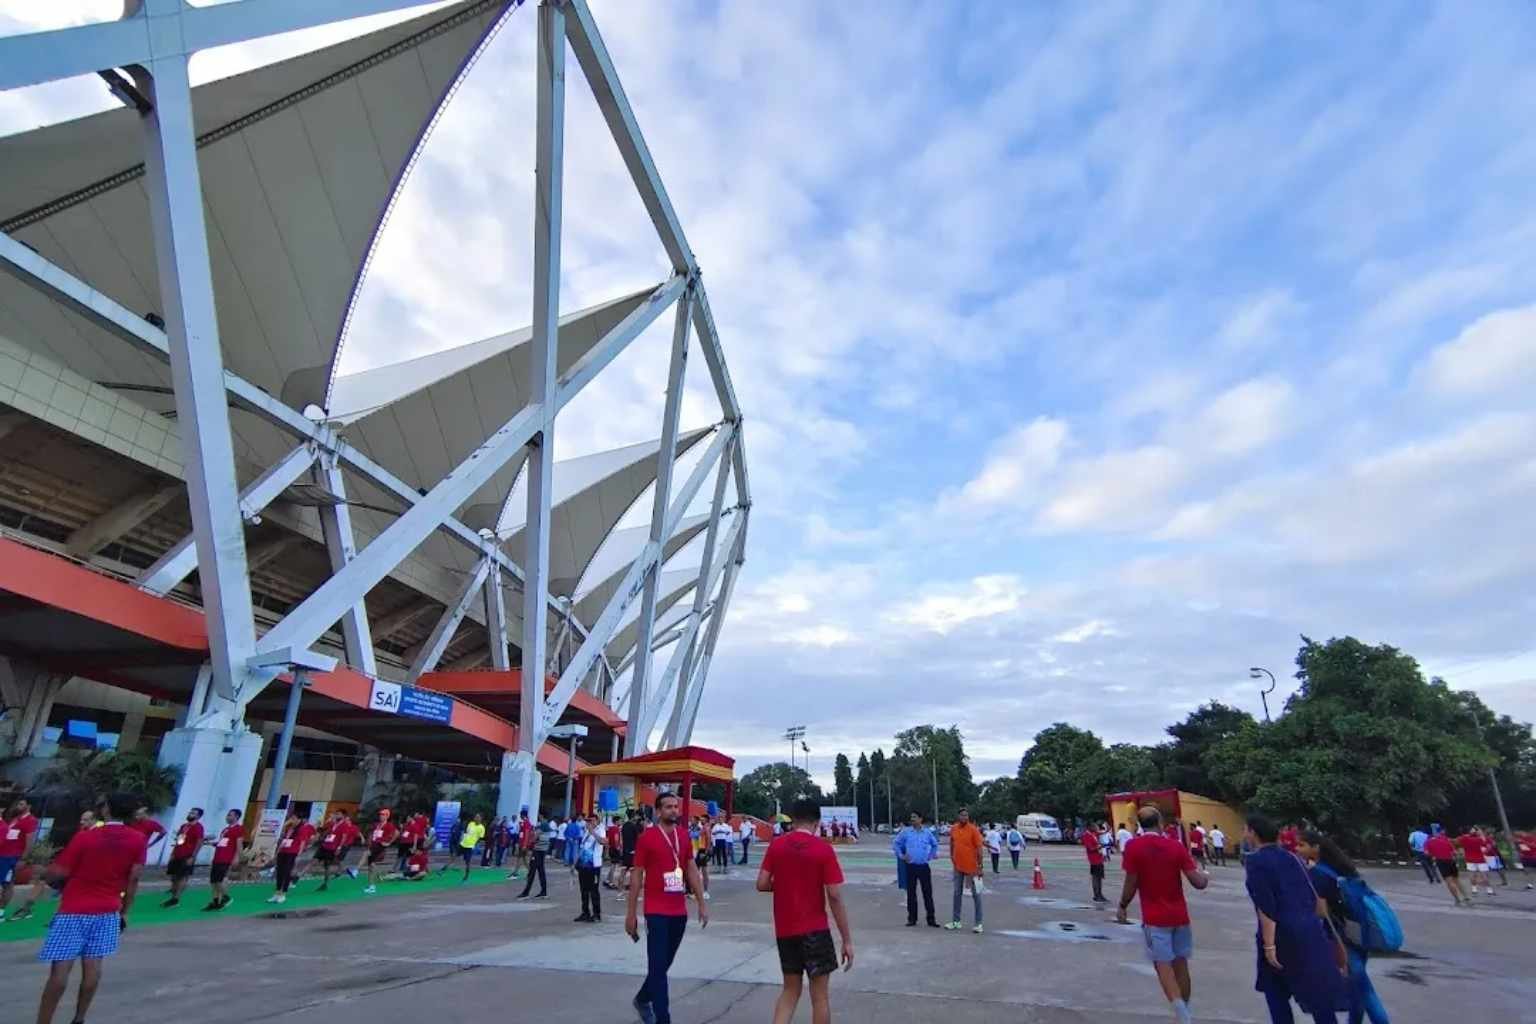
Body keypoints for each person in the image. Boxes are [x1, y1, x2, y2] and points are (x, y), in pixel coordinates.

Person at [33, 791, 147, 1024]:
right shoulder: (137, 840)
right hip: (108, 910)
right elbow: (134, 878)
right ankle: (79, 1018)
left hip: (74, 908)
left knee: (60, 971)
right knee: (93, 967)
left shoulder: (86, 837)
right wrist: (124, 911)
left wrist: (42, 872)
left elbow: (60, 872)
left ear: (107, 809)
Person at [757, 798, 853, 1024]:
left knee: (790, 991)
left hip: (786, 930)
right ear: (817, 822)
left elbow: (761, 883)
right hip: (815, 931)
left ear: (793, 818)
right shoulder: (823, 849)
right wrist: (846, 939)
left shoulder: (777, 845)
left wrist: (784, 885)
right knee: (819, 998)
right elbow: (835, 896)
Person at [1243, 814, 1346, 1024]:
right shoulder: (1293, 858)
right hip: (1308, 931)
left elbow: (1266, 907)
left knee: (1276, 994)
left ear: (1253, 833)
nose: (1244, 834)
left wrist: (1269, 945)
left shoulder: (1255, 861)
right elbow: (1312, 899)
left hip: (1282, 934)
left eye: (1245, 830)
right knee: (1318, 995)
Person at [1116, 806, 1210, 1024]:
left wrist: (1122, 905)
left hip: (1154, 918)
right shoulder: (1175, 846)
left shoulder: (1133, 847)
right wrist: (1205, 877)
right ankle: (1184, 1012)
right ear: (1159, 822)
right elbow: (1197, 882)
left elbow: (1131, 882)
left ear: (1139, 824)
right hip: (1179, 916)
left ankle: (1182, 1015)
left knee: (1162, 964)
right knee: (1181, 964)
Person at [627, 793, 708, 1024]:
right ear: (659, 811)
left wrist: (702, 903)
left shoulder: (683, 836)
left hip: (678, 911)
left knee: (663, 964)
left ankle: (643, 998)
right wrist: (631, 914)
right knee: (658, 966)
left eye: (676, 806)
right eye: (668, 807)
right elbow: (637, 876)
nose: (674, 810)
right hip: (656, 910)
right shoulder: (647, 838)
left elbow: (691, 869)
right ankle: (663, 1018)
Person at [1298, 830, 1389, 1024]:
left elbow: (1321, 912)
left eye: (1302, 845)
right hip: (1358, 930)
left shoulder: (1317, 874)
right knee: (1356, 987)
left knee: (1363, 990)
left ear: (1316, 848)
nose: (1298, 849)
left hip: (1341, 935)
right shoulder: (1342, 868)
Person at [894, 812, 939, 928]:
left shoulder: (927, 833)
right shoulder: (906, 832)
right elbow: (896, 843)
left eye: (914, 817)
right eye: (911, 818)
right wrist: (901, 855)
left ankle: (931, 919)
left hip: (924, 866)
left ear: (920, 819)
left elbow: (934, 844)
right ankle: (912, 919)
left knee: (927, 893)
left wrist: (930, 856)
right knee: (911, 894)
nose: (912, 819)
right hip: (911, 866)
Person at [945, 808, 984, 933]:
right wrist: (952, 857)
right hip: (958, 866)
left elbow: (979, 848)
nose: (964, 817)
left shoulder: (973, 829)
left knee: (976, 894)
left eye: (966, 815)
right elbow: (952, 843)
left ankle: (978, 923)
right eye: (962, 815)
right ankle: (956, 921)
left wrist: (980, 866)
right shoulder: (954, 828)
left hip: (972, 867)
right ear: (958, 817)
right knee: (957, 893)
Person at [0, 797, 39, 922]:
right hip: (3, 856)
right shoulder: (15, 819)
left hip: (11, 858)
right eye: (18, 804)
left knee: (8, 884)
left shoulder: (30, 820)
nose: (18, 806)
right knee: (6, 883)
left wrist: (23, 859)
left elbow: (30, 842)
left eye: (21, 804)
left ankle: (0, 912)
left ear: (29, 806)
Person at [267, 810, 316, 905]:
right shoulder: (288, 827)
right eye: (291, 818)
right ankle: (277, 893)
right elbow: (283, 839)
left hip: (292, 852)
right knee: (279, 872)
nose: (292, 820)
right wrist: (278, 852)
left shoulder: (302, 828)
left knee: (287, 872)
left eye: (294, 818)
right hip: (283, 851)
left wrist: (299, 854)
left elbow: (302, 842)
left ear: (299, 819)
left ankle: (283, 894)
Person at [159, 807, 205, 908]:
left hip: (187, 856)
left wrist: (193, 856)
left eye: (193, 813)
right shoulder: (184, 826)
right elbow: (179, 840)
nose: (190, 814)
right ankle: (173, 895)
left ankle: (176, 899)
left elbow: (199, 842)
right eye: (190, 812)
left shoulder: (198, 827)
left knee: (182, 877)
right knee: (173, 877)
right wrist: (173, 853)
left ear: (198, 816)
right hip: (178, 854)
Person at [202, 809, 245, 911]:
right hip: (217, 857)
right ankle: (216, 901)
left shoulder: (239, 829)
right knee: (213, 881)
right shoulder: (225, 830)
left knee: (220, 880)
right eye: (227, 815)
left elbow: (239, 844)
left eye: (230, 815)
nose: (227, 817)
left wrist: (237, 858)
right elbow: (222, 843)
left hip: (226, 859)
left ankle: (226, 897)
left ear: (236, 817)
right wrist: (209, 843)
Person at [313, 810, 359, 892]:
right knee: (334, 861)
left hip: (344, 846)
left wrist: (340, 847)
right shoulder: (335, 824)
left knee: (336, 860)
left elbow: (355, 834)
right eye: (346, 819)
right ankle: (344, 870)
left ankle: (343, 870)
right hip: (331, 845)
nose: (347, 821)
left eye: (348, 819)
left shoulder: (350, 827)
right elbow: (327, 830)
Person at [575, 812, 607, 923]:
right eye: (588, 821)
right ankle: (585, 912)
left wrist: (593, 832)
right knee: (583, 890)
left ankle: (597, 914)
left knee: (593, 890)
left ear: (597, 821)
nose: (590, 823)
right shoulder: (585, 832)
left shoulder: (600, 830)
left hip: (594, 866)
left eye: (592, 820)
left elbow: (603, 842)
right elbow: (582, 848)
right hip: (583, 865)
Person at [1423, 828, 1467, 906]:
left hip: (1441, 862)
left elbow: (1426, 853)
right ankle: (1466, 896)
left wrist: (1433, 854)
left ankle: (1457, 899)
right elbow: (1454, 852)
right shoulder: (1446, 839)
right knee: (1457, 880)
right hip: (1451, 860)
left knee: (1449, 882)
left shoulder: (1428, 842)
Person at [363, 809, 398, 895]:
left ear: (387, 816)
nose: (381, 816)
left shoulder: (389, 825)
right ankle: (372, 885)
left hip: (380, 847)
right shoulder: (377, 825)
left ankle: (355, 871)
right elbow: (373, 834)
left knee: (368, 860)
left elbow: (397, 833)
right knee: (370, 866)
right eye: (380, 815)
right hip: (374, 845)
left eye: (383, 815)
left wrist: (389, 842)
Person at [517, 813, 551, 899]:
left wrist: (530, 841)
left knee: (532, 872)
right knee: (541, 871)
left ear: (541, 816)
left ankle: (526, 892)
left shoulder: (542, 825)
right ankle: (544, 892)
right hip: (543, 850)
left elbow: (534, 838)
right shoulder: (548, 826)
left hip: (537, 851)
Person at [1457, 827, 1491, 897]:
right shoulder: (1479, 839)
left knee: (1472, 875)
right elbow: (1486, 846)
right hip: (1481, 859)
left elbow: (1458, 843)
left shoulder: (1464, 839)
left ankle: (1474, 889)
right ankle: (1489, 890)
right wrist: (1481, 833)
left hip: (1470, 860)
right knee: (1484, 875)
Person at [1082, 818, 1108, 903]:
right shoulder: (1086, 835)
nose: (1096, 827)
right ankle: (1097, 895)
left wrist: (1106, 826)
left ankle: (1099, 894)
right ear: (1089, 827)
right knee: (1096, 877)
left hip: (1098, 858)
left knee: (1099, 877)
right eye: (1094, 826)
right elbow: (1090, 848)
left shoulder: (1093, 834)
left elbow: (1105, 831)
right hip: (1094, 859)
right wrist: (1099, 847)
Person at [457, 812, 485, 883]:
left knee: (468, 862)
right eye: (475, 817)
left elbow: (480, 838)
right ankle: (444, 868)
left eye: (478, 817)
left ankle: (466, 876)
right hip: (463, 844)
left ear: (481, 818)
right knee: (455, 855)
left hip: (470, 846)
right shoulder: (471, 823)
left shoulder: (482, 828)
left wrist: (475, 845)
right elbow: (467, 833)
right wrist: (462, 839)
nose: (476, 818)